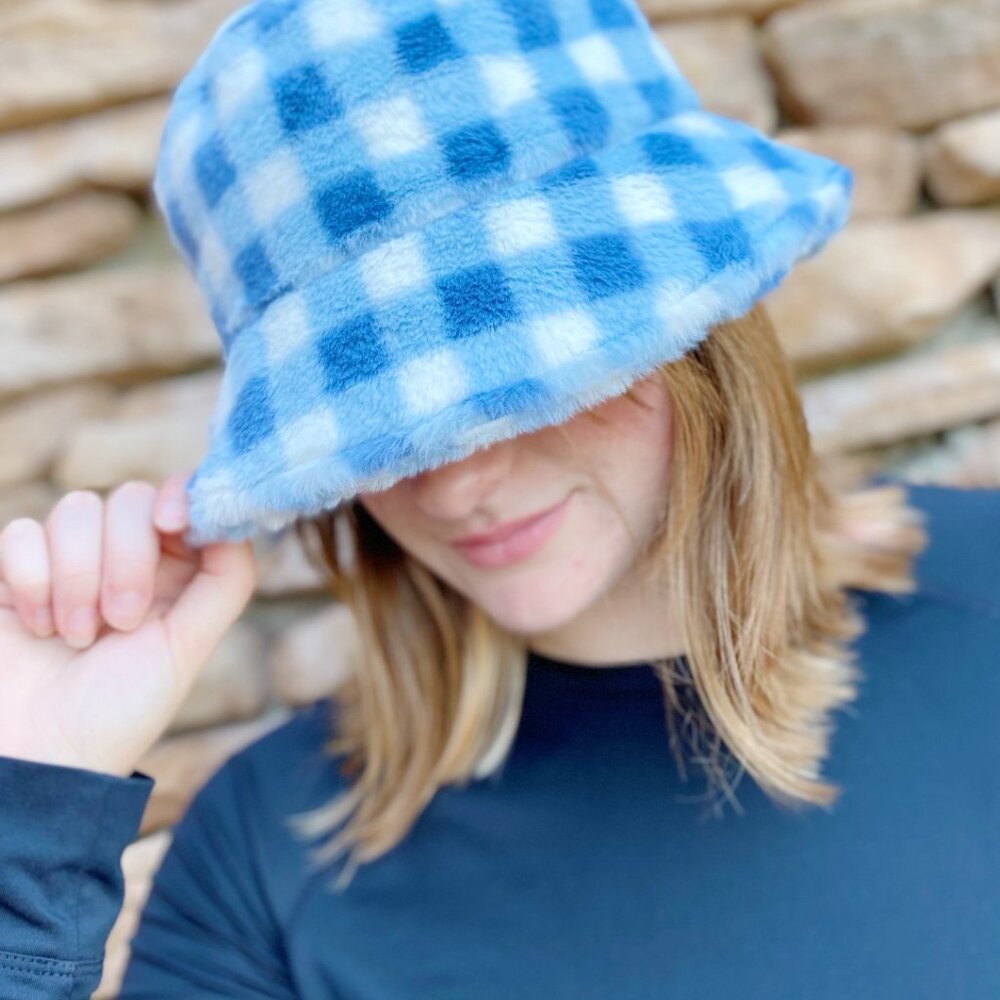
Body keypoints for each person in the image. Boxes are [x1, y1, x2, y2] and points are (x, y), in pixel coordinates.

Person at [0, 0, 997, 997]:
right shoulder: (266, 859)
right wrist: (30, 810)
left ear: (697, 340)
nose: (454, 486)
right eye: (377, 422)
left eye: (522, 383)